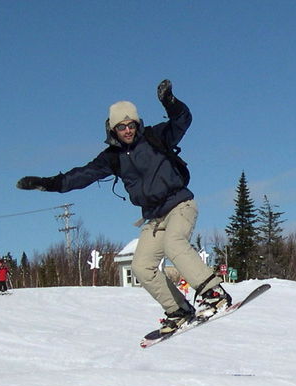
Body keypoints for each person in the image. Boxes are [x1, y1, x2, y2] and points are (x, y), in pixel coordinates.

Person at [16, 79, 231, 335]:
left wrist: (170, 102)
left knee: (175, 244)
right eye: (121, 126)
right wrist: (48, 184)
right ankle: (178, 310)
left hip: (179, 204)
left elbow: (183, 120)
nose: (127, 130)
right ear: (112, 129)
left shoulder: (155, 137)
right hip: (154, 218)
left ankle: (214, 293)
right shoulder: (112, 158)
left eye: (131, 125)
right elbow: (82, 175)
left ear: (137, 124)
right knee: (141, 267)